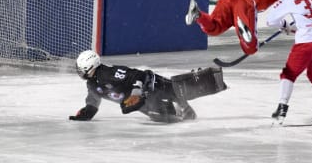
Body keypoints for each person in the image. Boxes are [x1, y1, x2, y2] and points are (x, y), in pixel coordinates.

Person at [69, 50, 227, 123]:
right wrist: (85, 113)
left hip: (151, 86)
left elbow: (137, 75)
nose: (79, 72)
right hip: (143, 102)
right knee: (163, 117)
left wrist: (136, 91)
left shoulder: (108, 73)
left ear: (90, 67)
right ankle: (181, 109)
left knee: (178, 91)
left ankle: (211, 79)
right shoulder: (92, 83)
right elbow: (93, 101)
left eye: (81, 69)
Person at [266, 0, 312, 124]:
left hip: (306, 42)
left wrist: (284, 24)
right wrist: (293, 27)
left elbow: (271, 20)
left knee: (288, 74)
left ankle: (282, 108)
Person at [185, 0, 287, 55]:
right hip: (244, 4)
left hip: (228, 0)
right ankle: (244, 30)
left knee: (215, 27)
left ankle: (198, 15)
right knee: (251, 48)